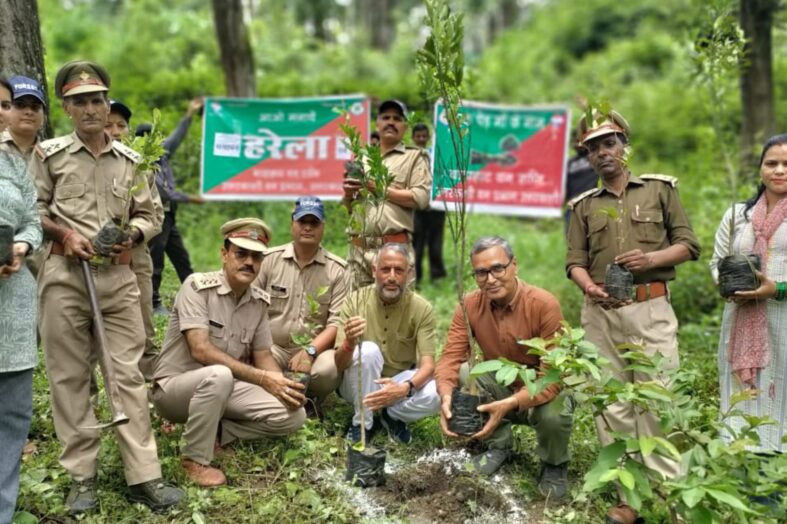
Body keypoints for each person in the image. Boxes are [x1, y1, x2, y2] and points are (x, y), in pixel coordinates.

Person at [30, 60, 183, 514]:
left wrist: (132, 235)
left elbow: (151, 215)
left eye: (98, 99)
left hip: (117, 281)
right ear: (67, 107)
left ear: (106, 102)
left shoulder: (133, 161)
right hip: (64, 280)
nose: (92, 109)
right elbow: (32, 211)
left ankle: (144, 477)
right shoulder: (49, 156)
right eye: (81, 102)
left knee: (128, 377)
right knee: (70, 379)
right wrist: (65, 235)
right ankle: (82, 478)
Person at [565, 110, 700, 524]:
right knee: (613, 407)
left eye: (609, 143)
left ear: (625, 146)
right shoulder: (584, 206)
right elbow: (574, 261)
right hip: (601, 315)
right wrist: (588, 286)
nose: (603, 153)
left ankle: (671, 498)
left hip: (650, 308)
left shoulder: (659, 190)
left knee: (658, 401)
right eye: (593, 148)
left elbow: (688, 245)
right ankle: (631, 499)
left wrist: (650, 259)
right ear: (587, 157)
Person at [152, 218, 307, 487]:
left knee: (292, 415)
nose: (249, 262)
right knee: (220, 374)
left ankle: (218, 432)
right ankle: (194, 459)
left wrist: (281, 385)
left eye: (256, 257)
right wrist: (262, 379)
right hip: (175, 391)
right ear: (224, 255)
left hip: (223, 388)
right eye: (241, 253)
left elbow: (263, 357)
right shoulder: (197, 287)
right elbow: (200, 350)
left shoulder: (258, 302)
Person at [434, 236, 572, 496]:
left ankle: (554, 464)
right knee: (465, 372)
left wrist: (509, 404)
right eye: (481, 273)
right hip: (501, 385)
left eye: (498, 268)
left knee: (555, 411)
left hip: (541, 392)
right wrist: (445, 395)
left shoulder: (543, 305)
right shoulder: (469, 305)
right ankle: (499, 446)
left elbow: (552, 376)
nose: (490, 279)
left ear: (514, 265)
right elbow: (450, 358)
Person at [710, 133, 787, 454]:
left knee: (779, 397)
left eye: (786, 164)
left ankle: (774, 486)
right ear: (760, 169)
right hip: (739, 319)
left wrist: (777, 290)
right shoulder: (738, 215)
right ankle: (744, 477)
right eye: (772, 163)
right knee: (743, 400)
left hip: (782, 320)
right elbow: (717, 261)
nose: (779, 170)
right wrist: (726, 285)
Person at [334, 243, 440, 444]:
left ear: (408, 274)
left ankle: (393, 416)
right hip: (357, 383)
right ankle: (362, 422)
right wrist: (348, 342)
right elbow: (338, 365)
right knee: (369, 351)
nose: (392, 277)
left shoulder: (422, 308)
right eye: (385, 269)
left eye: (398, 270)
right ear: (374, 271)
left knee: (437, 393)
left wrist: (405, 388)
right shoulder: (354, 301)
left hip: (397, 383)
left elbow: (428, 365)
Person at [255, 196, 348, 407]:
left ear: (323, 227)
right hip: (272, 347)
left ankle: (311, 399)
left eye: (314, 223)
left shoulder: (337, 271)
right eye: (302, 222)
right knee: (247, 358)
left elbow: (336, 322)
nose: (307, 227)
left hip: (314, 351)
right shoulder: (268, 260)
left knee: (329, 371)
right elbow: (251, 309)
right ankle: (276, 394)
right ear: (292, 224)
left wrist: (310, 351)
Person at [0, 119, 42, 524]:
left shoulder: (12, 165)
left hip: (12, 308)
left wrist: (22, 245)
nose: (2, 113)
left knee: (12, 419)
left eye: (5, 105)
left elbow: (32, 219)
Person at [342, 100, 431, 285]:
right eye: (386, 118)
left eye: (397, 118)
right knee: (356, 311)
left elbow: (420, 199)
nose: (391, 122)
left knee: (396, 312)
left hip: (395, 251)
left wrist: (377, 187)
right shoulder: (363, 157)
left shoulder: (414, 157)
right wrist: (348, 195)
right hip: (358, 252)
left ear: (405, 126)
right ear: (377, 124)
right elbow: (350, 208)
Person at [105, 99, 164, 380]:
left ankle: (150, 391)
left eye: (121, 125)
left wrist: (135, 233)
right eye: (108, 124)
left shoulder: (139, 166)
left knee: (143, 328)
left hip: (135, 258)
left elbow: (156, 215)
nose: (115, 131)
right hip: (92, 263)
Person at [139, 97, 204, 316]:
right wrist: (191, 198)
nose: (155, 143)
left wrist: (189, 114)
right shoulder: (143, 163)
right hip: (155, 218)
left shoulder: (162, 153)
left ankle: (198, 296)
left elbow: (176, 138)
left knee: (181, 258)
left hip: (169, 217)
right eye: (149, 140)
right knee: (156, 261)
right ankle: (154, 303)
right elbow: (164, 192)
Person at [410, 123, 446, 285]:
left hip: (437, 207)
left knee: (436, 243)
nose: (421, 139)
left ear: (429, 137)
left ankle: (437, 276)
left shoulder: (436, 155)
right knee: (417, 244)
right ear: (413, 138)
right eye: (418, 136)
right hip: (418, 207)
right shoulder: (409, 156)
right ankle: (415, 278)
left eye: (424, 136)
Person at [0, 76, 46, 161]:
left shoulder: (52, 155)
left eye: (35, 107)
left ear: (44, 116)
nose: (29, 112)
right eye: (20, 105)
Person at [563, 133, 598, 231]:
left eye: (581, 141)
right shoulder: (569, 163)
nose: (578, 144)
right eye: (575, 141)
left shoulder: (597, 158)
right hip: (572, 207)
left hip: (592, 206)